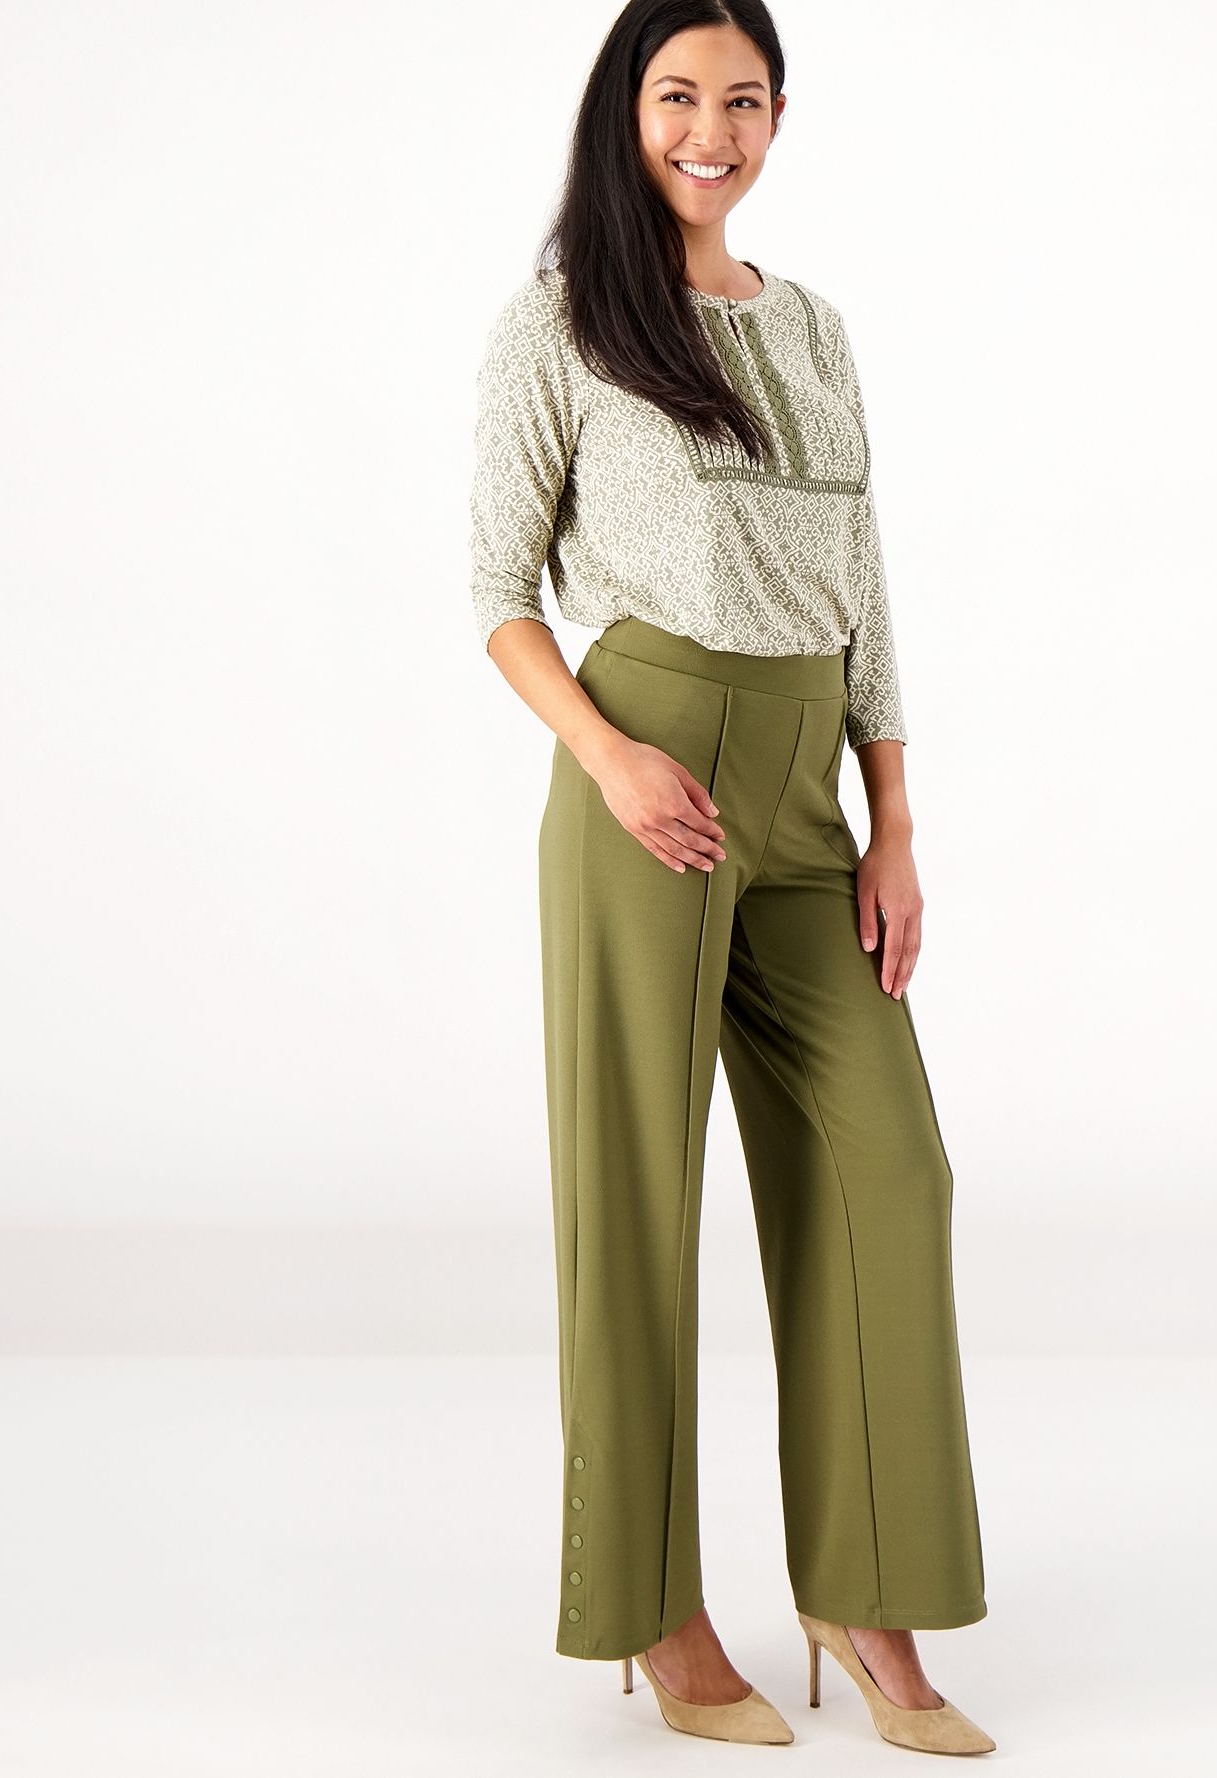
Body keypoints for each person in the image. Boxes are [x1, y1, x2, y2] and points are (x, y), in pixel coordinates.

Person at [468, 1, 995, 1756]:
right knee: (636, 1195)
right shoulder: (563, 320)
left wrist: (892, 815)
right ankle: (660, 1609)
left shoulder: (815, 325)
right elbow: (496, 590)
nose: (713, 130)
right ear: (625, 113)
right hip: (649, 769)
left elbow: (865, 579)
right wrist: (609, 754)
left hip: (808, 790)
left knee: (888, 1166)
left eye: (744, 99)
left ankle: (865, 1586)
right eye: (680, 96)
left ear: (779, 118)